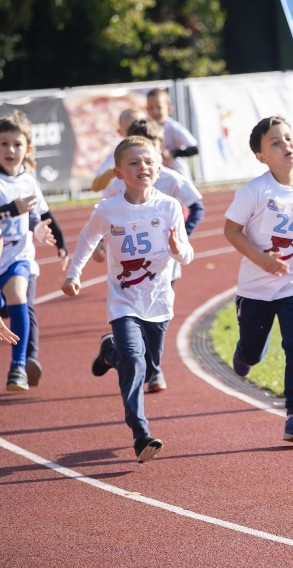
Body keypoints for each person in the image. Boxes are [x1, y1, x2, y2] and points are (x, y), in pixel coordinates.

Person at [62, 135, 194, 463]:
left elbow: (188, 255)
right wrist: (73, 274)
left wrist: (180, 251)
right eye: (133, 163)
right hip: (124, 302)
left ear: (159, 167)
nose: (142, 168)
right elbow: (88, 238)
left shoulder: (168, 207)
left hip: (159, 302)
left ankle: (109, 351)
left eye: (148, 162)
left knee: (149, 366)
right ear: (119, 173)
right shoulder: (108, 210)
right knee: (134, 360)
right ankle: (140, 432)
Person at [224, 115, 293, 443]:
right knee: (253, 353)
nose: (285, 145)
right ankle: (245, 354)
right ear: (261, 156)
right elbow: (231, 230)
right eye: (275, 142)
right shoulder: (254, 191)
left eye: (288, 138)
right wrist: (261, 259)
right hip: (256, 289)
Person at [98, 117, 205, 394]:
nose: (145, 160)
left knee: (157, 318)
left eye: (153, 148)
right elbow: (102, 209)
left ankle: (151, 368)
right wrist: (100, 242)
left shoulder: (172, 179)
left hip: (167, 263)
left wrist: (181, 241)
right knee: (139, 319)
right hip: (133, 265)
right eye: (138, 153)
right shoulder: (123, 182)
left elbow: (197, 207)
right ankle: (133, 361)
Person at [0, 111, 59, 391]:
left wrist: (46, 234)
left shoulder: (28, 181)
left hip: (17, 257)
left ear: (28, 149)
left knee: (19, 294)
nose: (10, 150)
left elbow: (37, 215)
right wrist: (12, 210)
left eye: (16, 144)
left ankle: (18, 367)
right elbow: (15, 210)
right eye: (3, 144)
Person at [146, 88, 198, 180]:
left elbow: (194, 148)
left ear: (169, 108)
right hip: (157, 173)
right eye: (151, 108)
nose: (155, 112)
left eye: (159, 107)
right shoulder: (145, 129)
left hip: (177, 171)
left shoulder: (174, 127)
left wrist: (172, 153)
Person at [91, 108, 147, 192]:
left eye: (140, 128)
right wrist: (115, 171)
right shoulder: (116, 156)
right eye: (130, 130)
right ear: (120, 132)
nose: (136, 134)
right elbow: (96, 187)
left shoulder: (157, 151)